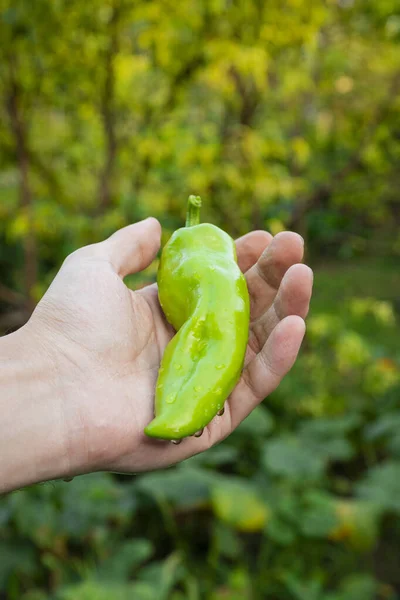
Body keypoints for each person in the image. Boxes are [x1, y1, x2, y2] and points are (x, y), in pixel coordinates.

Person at [0, 218, 313, 494]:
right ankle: (172, 414)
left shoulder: (196, 249)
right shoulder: (201, 250)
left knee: (210, 326)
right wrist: (57, 365)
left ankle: (173, 414)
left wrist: (47, 380)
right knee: (212, 324)